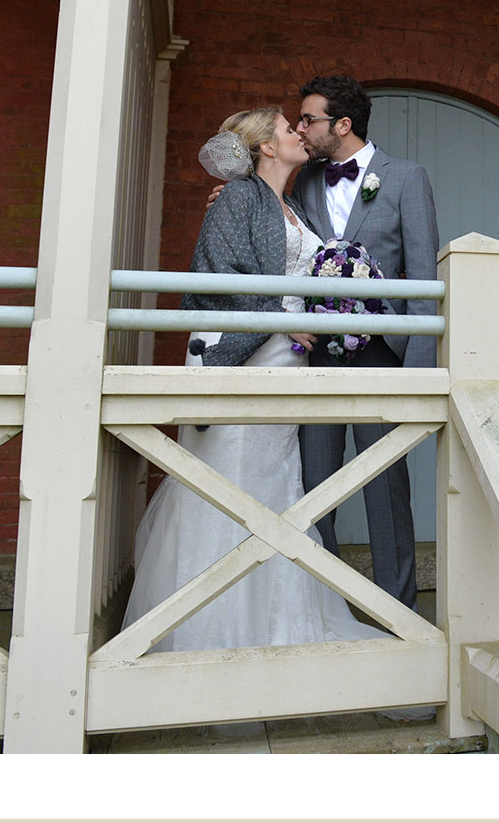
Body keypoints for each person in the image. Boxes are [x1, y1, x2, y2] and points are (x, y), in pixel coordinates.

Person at [122, 108, 390, 652]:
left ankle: (281, 627)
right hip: (247, 360)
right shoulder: (240, 198)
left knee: (276, 486)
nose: (297, 132)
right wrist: (284, 319)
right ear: (266, 146)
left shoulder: (290, 206)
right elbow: (219, 273)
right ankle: (211, 631)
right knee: (227, 481)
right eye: (288, 127)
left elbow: (306, 274)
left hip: (288, 363)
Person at [210, 75, 439, 610]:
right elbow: (268, 210)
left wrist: (419, 375)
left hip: (382, 355)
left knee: (385, 488)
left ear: (343, 124)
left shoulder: (406, 178)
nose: (302, 128)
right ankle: (323, 604)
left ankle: (396, 613)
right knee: (313, 485)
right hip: (309, 353)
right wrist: (234, 195)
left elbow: (425, 279)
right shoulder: (304, 179)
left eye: (310, 119)